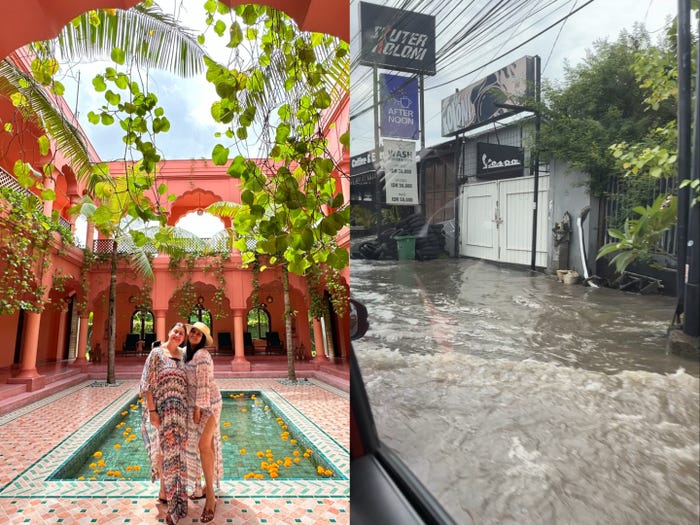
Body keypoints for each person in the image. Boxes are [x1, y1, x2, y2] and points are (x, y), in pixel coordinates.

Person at [140, 322, 190, 525]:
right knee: (164, 453)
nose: (178, 335)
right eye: (175, 331)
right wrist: (152, 411)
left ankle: (171, 495)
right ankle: (171, 503)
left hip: (181, 414)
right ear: (170, 332)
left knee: (178, 455)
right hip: (161, 411)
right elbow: (147, 384)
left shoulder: (184, 356)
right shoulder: (156, 354)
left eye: (182, 333)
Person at [184, 321, 223, 524]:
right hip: (196, 405)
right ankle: (205, 486)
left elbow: (203, 384)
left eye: (199, 334)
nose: (195, 335)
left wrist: (198, 409)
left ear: (203, 339)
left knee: (203, 446)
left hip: (210, 405)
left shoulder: (202, 355)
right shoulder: (187, 354)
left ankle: (211, 499)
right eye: (193, 331)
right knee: (206, 447)